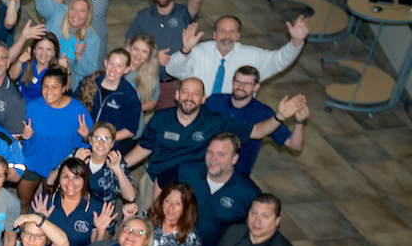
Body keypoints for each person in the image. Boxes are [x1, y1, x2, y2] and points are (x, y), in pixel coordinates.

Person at [123, 77, 305, 197]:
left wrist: (279, 116)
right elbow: (144, 148)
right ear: (177, 95)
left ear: (203, 99)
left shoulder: (215, 122)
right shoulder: (160, 118)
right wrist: (118, 165)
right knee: (140, 226)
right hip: (154, 181)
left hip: (190, 190)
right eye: (185, 92)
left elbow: (256, 131)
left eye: (196, 94)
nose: (189, 97)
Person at [124, 0, 206, 107]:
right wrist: (154, 58)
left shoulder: (184, 13)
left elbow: (196, 0)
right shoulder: (143, 16)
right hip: (144, 80)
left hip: (172, 85)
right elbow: (129, 46)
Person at [165, 14, 309, 97]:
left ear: (238, 36)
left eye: (232, 32)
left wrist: (296, 41)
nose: (227, 35)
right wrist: (185, 50)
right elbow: (172, 70)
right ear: (214, 35)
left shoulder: (251, 55)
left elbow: (280, 60)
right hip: (200, 113)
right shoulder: (199, 51)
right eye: (222, 31)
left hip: (233, 117)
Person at [204, 66, 308, 174]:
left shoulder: (264, 113)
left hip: (237, 176)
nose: (240, 86)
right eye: (237, 81)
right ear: (232, 82)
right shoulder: (214, 101)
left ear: (256, 87)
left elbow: (294, 145)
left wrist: (299, 121)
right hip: (204, 167)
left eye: (247, 84)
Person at [18, 67, 89, 209]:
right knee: (23, 203)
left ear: (63, 88)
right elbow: (19, 135)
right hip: (31, 162)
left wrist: (86, 135)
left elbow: (87, 143)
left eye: (54, 87)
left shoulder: (77, 109)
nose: (48, 92)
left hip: (59, 167)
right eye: (45, 87)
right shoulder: (31, 107)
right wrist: (24, 135)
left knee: (51, 206)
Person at [31, 0, 102, 81]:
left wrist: (79, 55)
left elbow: (89, 71)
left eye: (82, 11)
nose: (76, 15)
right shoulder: (58, 14)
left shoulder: (92, 38)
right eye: (73, 9)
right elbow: (43, 6)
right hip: (40, 73)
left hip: (67, 84)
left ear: (88, 15)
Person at [77, 47, 141, 151]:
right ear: (105, 63)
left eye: (119, 66)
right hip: (81, 139)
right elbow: (74, 105)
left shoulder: (129, 95)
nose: (113, 69)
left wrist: (103, 139)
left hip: (106, 148)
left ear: (127, 69)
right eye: (111, 63)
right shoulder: (89, 82)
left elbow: (131, 129)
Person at [65, 122, 134, 207]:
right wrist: (75, 164)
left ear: (112, 144)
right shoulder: (78, 154)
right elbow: (51, 180)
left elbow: (130, 197)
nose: (101, 143)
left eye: (106, 139)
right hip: (74, 207)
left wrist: (117, 170)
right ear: (90, 141)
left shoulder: (116, 161)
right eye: (97, 138)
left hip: (102, 214)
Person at [11, 31, 62, 102]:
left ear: (54, 53)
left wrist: (67, 70)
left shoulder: (56, 71)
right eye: (40, 48)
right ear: (34, 50)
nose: (44, 53)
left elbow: (65, 89)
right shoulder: (28, 62)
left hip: (39, 109)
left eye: (49, 49)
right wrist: (19, 61)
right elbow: (12, 76)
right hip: (19, 103)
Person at [126, 33, 161, 116]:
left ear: (150, 55)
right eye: (136, 49)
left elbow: (153, 101)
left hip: (134, 118)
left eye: (144, 52)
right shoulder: (117, 66)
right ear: (130, 48)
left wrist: (136, 108)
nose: (138, 54)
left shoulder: (151, 76)